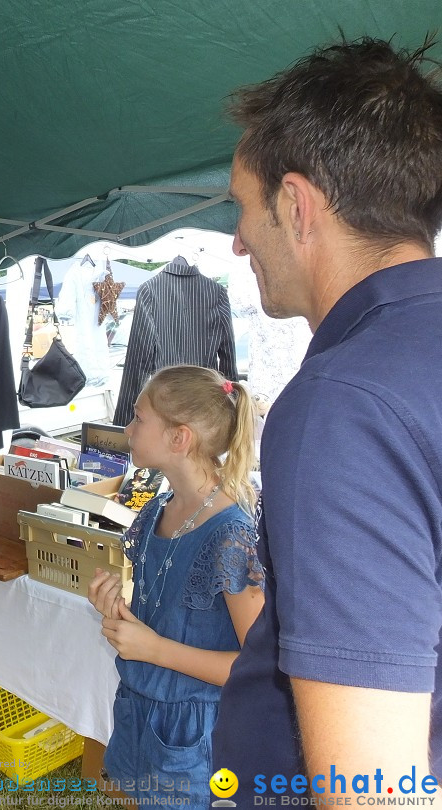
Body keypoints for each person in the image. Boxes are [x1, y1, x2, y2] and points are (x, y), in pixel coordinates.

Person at [211, 37, 442, 792]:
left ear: (297, 206)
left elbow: (371, 788)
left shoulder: (340, 407)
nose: (239, 239)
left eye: (245, 210)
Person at [87, 365, 264, 808]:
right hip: (140, 708)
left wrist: (154, 649)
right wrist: (118, 608)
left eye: (138, 417)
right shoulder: (157, 511)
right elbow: (169, 609)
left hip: (195, 736)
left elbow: (254, 667)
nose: (128, 428)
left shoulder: (231, 535)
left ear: (178, 438)